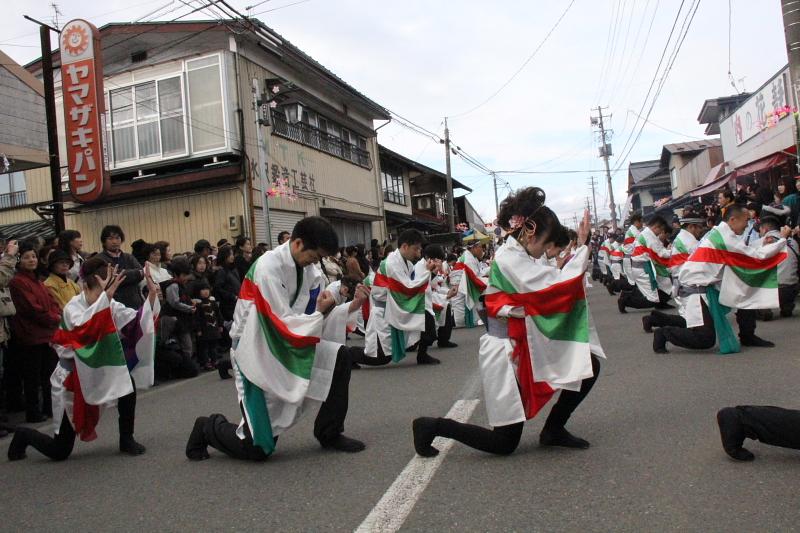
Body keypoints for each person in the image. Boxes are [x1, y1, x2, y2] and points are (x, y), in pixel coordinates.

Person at [413, 188, 602, 457]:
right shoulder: (509, 257)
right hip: (506, 350)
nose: (544, 251)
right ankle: (432, 426)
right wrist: (582, 249)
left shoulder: (518, 255)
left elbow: (547, 281)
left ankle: (553, 429)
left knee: (588, 363)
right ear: (529, 232)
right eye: (544, 243)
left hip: (524, 340)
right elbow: (551, 287)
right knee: (503, 443)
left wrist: (578, 252)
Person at [185, 217, 369, 461]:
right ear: (298, 243)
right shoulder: (267, 268)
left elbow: (310, 316)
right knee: (257, 448)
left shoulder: (309, 270)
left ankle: (329, 432)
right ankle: (208, 427)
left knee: (339, 356)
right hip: (256, 349)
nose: (316, 263)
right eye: (315, 256)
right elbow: (280, 322)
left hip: (288, 341)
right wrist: (321, 312)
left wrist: (342, 304)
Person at [8, 258, 160, 461]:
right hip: (73, 378)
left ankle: (126, 438)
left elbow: (134, 323)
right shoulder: (73, 308)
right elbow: (85, 333)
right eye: (100, 291)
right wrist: (106, 298)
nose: (104, 297)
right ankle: (24, 435)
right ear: (85, 286)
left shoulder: (109, 303)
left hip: (100, 368)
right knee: (59, 450)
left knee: (127, 385)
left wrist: (151, 295)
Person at [651, 205, 789, 353]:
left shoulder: (721, 233)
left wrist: (762, 243)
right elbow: (754, 256)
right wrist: (782, 240)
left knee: (745, 290)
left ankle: (747, 335)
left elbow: (741, 249)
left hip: (705, 285)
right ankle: (664, 333)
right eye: (746, 221)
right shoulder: (724, 238)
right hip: (696, 289)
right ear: (733, 219)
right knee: (705, 339)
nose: (748, 225)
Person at [363, 229, 434, 366]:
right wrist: (427, 272)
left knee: (427, 317)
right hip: (385, 311)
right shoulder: (391, 264)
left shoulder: (406, 262)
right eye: (416, 249)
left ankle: (422, 354)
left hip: (395, 306)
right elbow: (406, 288)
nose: (418, 253)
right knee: (380, 357)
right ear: (405, 246)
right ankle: (348, 355)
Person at [8, 242, 61, 423]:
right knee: (33, 377)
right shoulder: (17, 282)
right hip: (30, 335)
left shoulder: (37, 281)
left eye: (33, 256)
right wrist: (54, 319)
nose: (31, 260)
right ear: (18, 260)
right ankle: (34, 412)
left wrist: (56, 315)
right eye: (26, 257)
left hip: (47, 333)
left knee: (49, 374)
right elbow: (31, 308)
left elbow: (51, 302)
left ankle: (49, 407)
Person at [641, 212, 705, 333]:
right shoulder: (689, 242)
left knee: (689, 319)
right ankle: (658, 326)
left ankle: (654, 319)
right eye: (699, 227)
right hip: (686, 283)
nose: (701, 230)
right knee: (693, 323)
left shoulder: (684, 238)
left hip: (680, 281)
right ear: (691, 227)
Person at [618, 216, 673, 313]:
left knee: (660, 286)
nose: (660, 233)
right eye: (660, 230)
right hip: (643, 268)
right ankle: (625, 300)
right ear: (656, 227)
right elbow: (661, 253)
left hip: (641, 267)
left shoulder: (646, 233)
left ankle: (660, 303)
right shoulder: (649, 236)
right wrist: (673, 251)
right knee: (651, 299)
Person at [413, 244, 449, 365]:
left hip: (426, 301)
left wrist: (433, 271)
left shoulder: (425, 266)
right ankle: (421, 355)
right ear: (428, 257)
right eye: (435, 259)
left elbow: (430, 281)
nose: (436, 261)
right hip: (420, 302)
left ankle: (422, 354)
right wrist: (430, 271)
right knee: (430, 333)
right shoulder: (420, 267)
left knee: (429, 332)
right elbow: (419, 283)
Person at [757, 216, 798, 318]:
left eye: (760, 230)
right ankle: (787, 305)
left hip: (773, 289)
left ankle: (764, 309)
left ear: (765, 229)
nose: (759, 232)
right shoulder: (792, 242)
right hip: (792, 288)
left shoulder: (765, 241)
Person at [99, 225, 144, 310]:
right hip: (114, 305)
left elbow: (142, 273)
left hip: (135, 304)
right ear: (104, 241)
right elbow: (112, 278)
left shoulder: (129, 257)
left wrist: (122, 274)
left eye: (117, 238)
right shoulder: (100, 259)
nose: (114, 241)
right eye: (110, 238)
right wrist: (135, 274)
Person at [162, 257, 195, 361]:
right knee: (186, 345)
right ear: (176, 274)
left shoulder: (181, 285)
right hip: (176, 320)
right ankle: (187, 364)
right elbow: (175, 303)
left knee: (188, 344)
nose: (186, 277)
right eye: (184, 275)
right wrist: (189, 308)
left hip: (183, 320)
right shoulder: (173, 285)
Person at [453, 241, 489, 328]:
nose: (482, 249)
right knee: (461, 320)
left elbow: (477, 274)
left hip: (467, 286)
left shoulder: (472, 257)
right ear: (474, 248)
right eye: (480, 247)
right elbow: (475, 278)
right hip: (461, 290)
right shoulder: (468, 259)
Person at [192, 279, 223, 371]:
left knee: (213, 346)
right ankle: (206, 362)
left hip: (214, 328)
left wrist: (220, 325)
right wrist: (198, 329)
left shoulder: (212, 302)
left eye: (207, 289)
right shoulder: (198, 304)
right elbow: (196, 318)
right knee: (204, 347)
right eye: (202, 289)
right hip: (204, 329)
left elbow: (218, 314)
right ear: (198, 291)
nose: (205, 291)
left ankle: (215, 360)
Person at [213, 245, 241, 322]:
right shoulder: (221, 271)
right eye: (230, 254)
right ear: (224, 255)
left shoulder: (233, 269)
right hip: (228, 306)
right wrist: (232, 296)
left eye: (232, 254)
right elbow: (218, 288)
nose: (232, 256)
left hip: (237, 303)